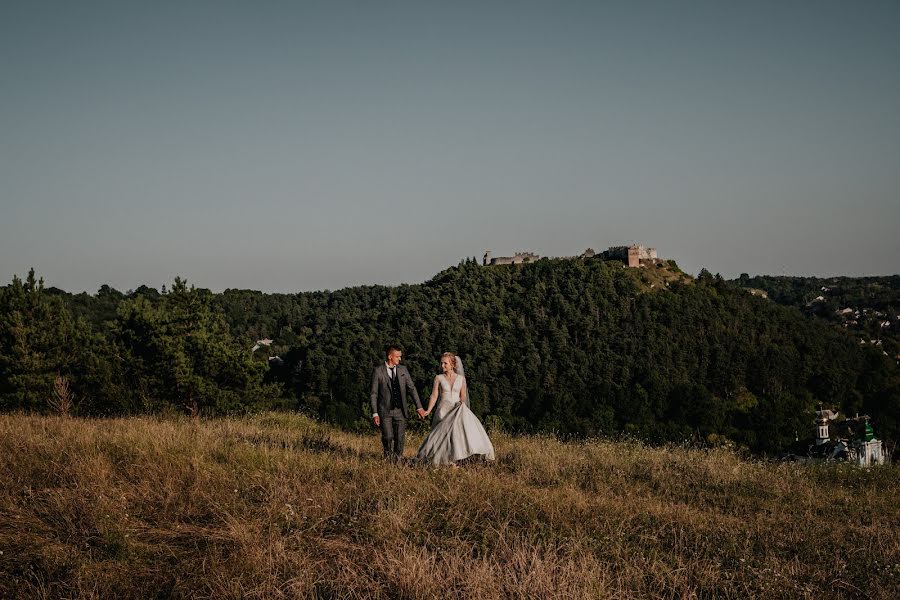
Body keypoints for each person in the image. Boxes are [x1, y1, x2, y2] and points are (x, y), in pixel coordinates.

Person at [417, 352, 495, 465]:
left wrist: (461, 403)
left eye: (445, 363)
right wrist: (428, 410)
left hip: (456, 410)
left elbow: (463, 395)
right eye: (441, 363)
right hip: (443, 410)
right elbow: (434, 396)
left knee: (455, 436)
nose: (442, 365)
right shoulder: (438, 378)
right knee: (441, 437)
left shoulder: (461, 378)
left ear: (453, 364)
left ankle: (453, 460)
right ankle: (439, 460)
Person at [370, 345, 425, 459]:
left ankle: (397, 461)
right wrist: (375, 413)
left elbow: (412, 388)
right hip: (385, 411)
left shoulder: (403, 370)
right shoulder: (378, 371)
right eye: (397, 356)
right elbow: (374, 393)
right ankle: (387, 457)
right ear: (390, 356)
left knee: (400, 438)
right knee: (388, 436)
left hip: (400, 410)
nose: (400, 359)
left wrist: (419, 407)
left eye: (400, 356)